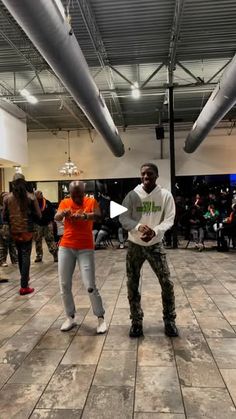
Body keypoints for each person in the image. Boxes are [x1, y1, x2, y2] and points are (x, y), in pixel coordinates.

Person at [119, 163, 178, 338]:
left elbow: (170, 219)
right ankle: (136, 322)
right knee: (132, 284)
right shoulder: (132, 195)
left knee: (166, 282)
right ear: (140, 176)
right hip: (135, 245)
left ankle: (170, 321)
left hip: (155, 245)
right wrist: (138, 227)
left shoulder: (165, 195)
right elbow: (123, 217)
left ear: (156, 175)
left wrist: (155, 231)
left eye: (150, 174)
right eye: (143, 174)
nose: (146, 177)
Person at [55, 181, 106, 333]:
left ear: (84, 192)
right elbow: (57, 217)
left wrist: (84, 216)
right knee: (64, 285)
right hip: (66, 247)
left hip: (85, 248)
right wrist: (63, 213)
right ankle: (70, 317)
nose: (77, 197)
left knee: (90, 285)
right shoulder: (65, 202)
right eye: (73, 194)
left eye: (79, 194)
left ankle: (100, 318)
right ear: (69, 193)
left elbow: (98, 216)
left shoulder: (91, 201)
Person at [3, 174, 41, 295]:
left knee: (20, 254)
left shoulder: (7, 198)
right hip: (27, 230)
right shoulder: (31, 197)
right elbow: (39, 215)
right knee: (25, 256)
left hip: (14, 231)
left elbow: (4, 216)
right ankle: (24, 285)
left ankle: (24, 278)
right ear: (25, 183)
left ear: (13, 184)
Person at [34, 191, 58, 263]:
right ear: (35, 195)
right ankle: (39, 256)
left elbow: (52, 212)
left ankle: (55, 255)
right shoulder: (34, 203)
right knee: (37, 241)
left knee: (50, 239)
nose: (41, 194)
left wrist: (50, 220)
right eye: (39, 193)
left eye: (41, 193)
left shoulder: (47, 202)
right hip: (38, 225)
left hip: (47, 224)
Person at [0, 192, 18, 267]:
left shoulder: (12, 206)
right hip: (3, 226)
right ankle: (2, 261)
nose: (6, 198)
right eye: (4, 196)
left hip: (12, 226)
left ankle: (14, 259)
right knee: (3, 245)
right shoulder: (1, 207)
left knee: (13, 244)